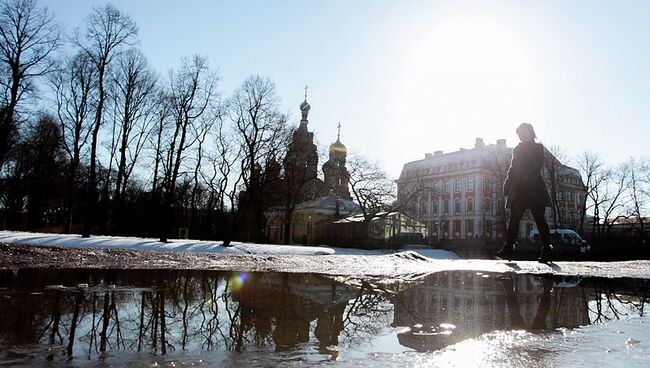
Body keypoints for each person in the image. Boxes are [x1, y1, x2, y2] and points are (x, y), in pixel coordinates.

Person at [496, 123, 553, 263]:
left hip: (535, 189)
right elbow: (512, 168)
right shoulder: (517, 149)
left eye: (525, 132)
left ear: (531, 132)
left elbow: (537, 166)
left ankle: (547, 249)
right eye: (520, 133)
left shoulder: (538, 148)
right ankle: (509, 248)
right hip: (519, 190)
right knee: (514, 220)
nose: (522, 135)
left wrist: (527, 179)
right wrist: (507, 184)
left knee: (540, 220)